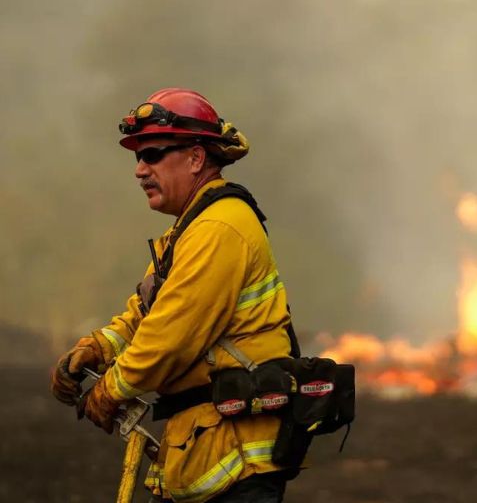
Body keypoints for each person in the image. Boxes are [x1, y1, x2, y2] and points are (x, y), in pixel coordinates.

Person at [50, 88, 298, 503]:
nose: (140, 170)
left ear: (196, 157)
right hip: (208, 446)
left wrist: (112, 389)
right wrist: (98, 347)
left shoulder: (220, 228)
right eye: (137, 157)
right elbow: (147, 312)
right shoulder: (189, 229)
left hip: (238, 461)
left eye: (153, 154)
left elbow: (170, 336)